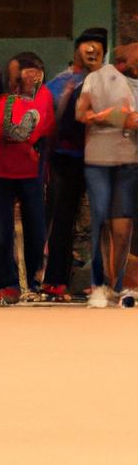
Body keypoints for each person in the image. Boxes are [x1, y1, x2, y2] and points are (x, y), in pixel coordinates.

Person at [43, 27, 107, 299]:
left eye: (97, 48)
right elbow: (49, 123)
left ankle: (102, 281)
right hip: (65, 160)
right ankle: (55, 281)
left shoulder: (111, 81)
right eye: (87, 47)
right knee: (62, 220)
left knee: (103, 221)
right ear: (77, 51)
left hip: (101, 159)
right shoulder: (59, 83)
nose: (91, 53)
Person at [75, 38, 138, 307]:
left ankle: (118, 284)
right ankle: (98, 284)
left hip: (128, 161)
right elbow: (81, 114)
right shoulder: (97, 78)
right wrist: (113, 116)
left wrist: (118, 118)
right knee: (100, 221)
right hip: (98, 160)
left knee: (122, 229)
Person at [0, 52, 55, 304]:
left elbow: (32, 129)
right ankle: (7, 282)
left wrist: (19, 133)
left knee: (36, 229)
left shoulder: (43, 96)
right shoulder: (2, 99)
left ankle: (36, 281)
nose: (17, 78)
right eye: (14, 74)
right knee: (0, 231)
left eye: (22, 73)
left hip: (30, 171)